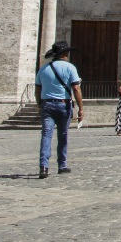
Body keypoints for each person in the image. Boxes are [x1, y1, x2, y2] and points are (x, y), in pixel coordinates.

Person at [34, 40, 84, 179]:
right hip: (64, 105)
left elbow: (37, 90)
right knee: (62, 136)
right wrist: (81, 108)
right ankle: (62, 165)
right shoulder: (69, 67)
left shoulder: (43, 68)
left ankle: (43, 166)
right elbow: (76, 88)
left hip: (47, 105)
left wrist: (39, 105)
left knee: (46, 135)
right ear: (65, 54)